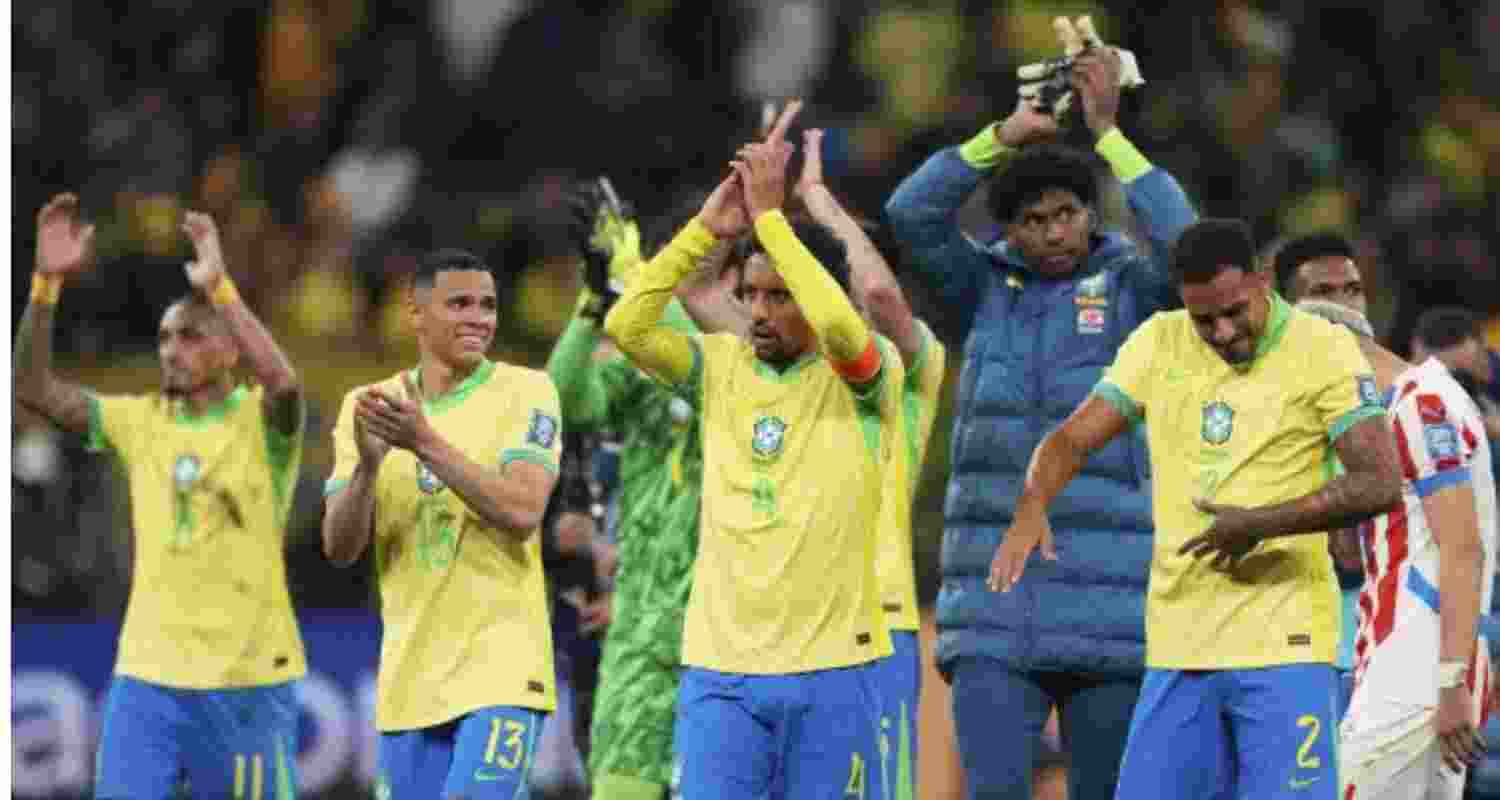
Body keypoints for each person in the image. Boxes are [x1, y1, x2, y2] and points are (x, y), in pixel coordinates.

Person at [988, 218, 1402, 800]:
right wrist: (1032, 504)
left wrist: (1259, 524)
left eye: (1235, 311)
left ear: (1262, 283)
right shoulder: (1159, 341)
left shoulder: (1324, 349)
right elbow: (1071, 439)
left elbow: (1381, 480)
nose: (1223, 331)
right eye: (1204, 319)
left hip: (1285, 645)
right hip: (1179, 647)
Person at [883, 41, 1197, 800]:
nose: (1055, 231)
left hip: (1112, 610)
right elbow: (908, 212)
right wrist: (1003, 137)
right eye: (1034, 219)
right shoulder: (979, 289)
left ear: (1091, 214)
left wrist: (1107, 135)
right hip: (994, 610)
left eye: (1067, 213)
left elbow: (1189, 239)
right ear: (1009, 231)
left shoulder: (1135, 289)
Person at [603, 121, 900, 800]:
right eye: (751, 295)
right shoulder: (719, 366)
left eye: (779, 295)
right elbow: (628, 326)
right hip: (721, 670)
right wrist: (709, 228)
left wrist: (771, 222)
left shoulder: (864, 375)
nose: (759, 312)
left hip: (834, 670)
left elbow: (839, 328)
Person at [14, 194, 309, 798]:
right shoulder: (138, 420)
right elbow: (34, 388)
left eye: (192, 337)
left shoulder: (262, 423)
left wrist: (222, 290)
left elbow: (282, 380)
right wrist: (45, 286)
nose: (172, 349)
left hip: (246, 680)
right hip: (147, 681)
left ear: (230, 350)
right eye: (166, 338)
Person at [321, 248, 563, 799]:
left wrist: (423, 442)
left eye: (488, 305)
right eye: (460, 304)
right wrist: (368, 467)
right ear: (416, 312)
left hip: (502, 670)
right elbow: (339, 548)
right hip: (410, 682)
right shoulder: (366, 406)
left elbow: (523, 512)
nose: (479, 318)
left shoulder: (527, 391)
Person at [546, 178, 746, 800]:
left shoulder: (764, 372)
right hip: (639, 630)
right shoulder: (646, 378)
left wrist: (635, 275)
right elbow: (564, 395)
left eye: (712, 274)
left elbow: (708, 345)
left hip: (725, 633)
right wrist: (591, 304)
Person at [795, 117, 948, 800]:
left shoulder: (913, 364)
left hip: (874, 619)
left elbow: (880, 296)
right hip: (779, 619)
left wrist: (820, 208)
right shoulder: (781, 369)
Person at [1295, 299, 1495, 800]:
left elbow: (1463, 548)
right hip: (1427, 653)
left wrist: (1450, 679)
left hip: (1417, 658)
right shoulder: (1425, 398)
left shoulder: (1419, 406)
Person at [1271, 231, 1371, 720]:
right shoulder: (1257, 396)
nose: (1343, 307)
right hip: (1290, 613)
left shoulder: (1398, 391)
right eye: (1323, 294)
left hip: (1379, 610)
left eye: (1352, 290)